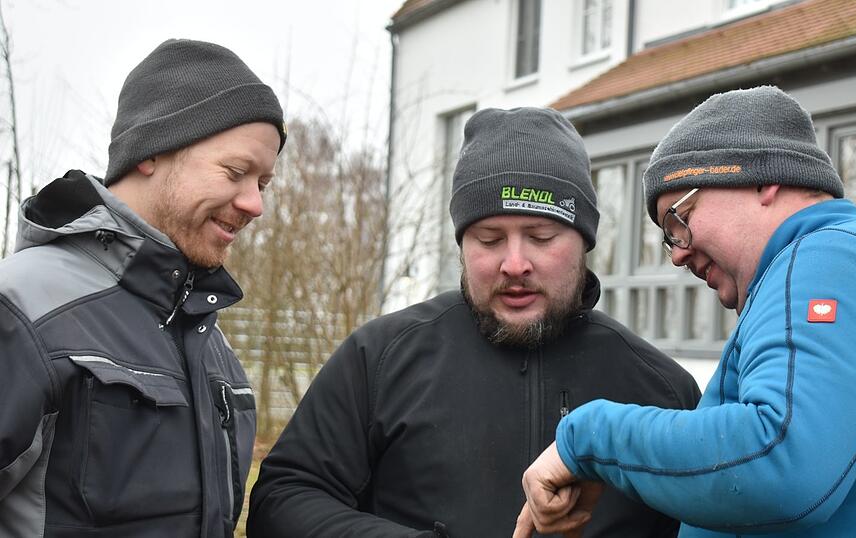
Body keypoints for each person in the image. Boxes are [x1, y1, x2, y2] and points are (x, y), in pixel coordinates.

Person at [514, 86, 856, 537]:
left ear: (765, 181)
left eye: (678, 221)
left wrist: (589, 439)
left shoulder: (831, 257)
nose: (677, 255)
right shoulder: (840, 262)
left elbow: (782, 461)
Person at [247, 107, 700, 537]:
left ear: (584, 241)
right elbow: (282, 500)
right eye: (489, 238)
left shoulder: (661, 389)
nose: (514, 264)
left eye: (541, 237)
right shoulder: (381, 357)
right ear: (462, 246)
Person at [0, 39, 285, 537]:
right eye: (236, 172)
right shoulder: (23, 307)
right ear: (151, 152)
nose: (254, 205)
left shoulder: (213, 348)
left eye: (262, 184)